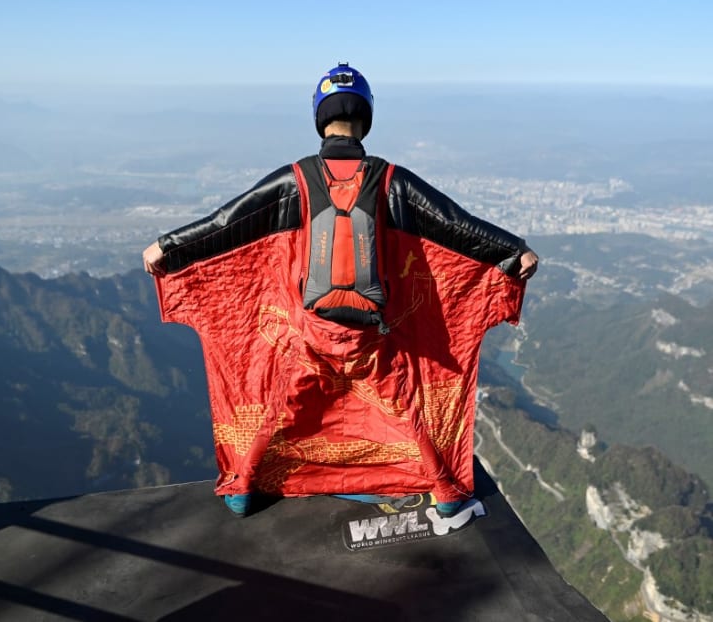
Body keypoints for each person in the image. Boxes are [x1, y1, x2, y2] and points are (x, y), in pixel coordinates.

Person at [144, 63, 538, 518]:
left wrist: (167, 249)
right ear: (365, 117)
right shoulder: (390, 180)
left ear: (319, 116)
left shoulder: (296, 179)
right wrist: (514, 254)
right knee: (406, 407)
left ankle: (242, 490)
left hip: (309, 330)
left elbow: (225, 224)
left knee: (281, 406)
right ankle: (448, 495)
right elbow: (457, 226)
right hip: (371, 332)